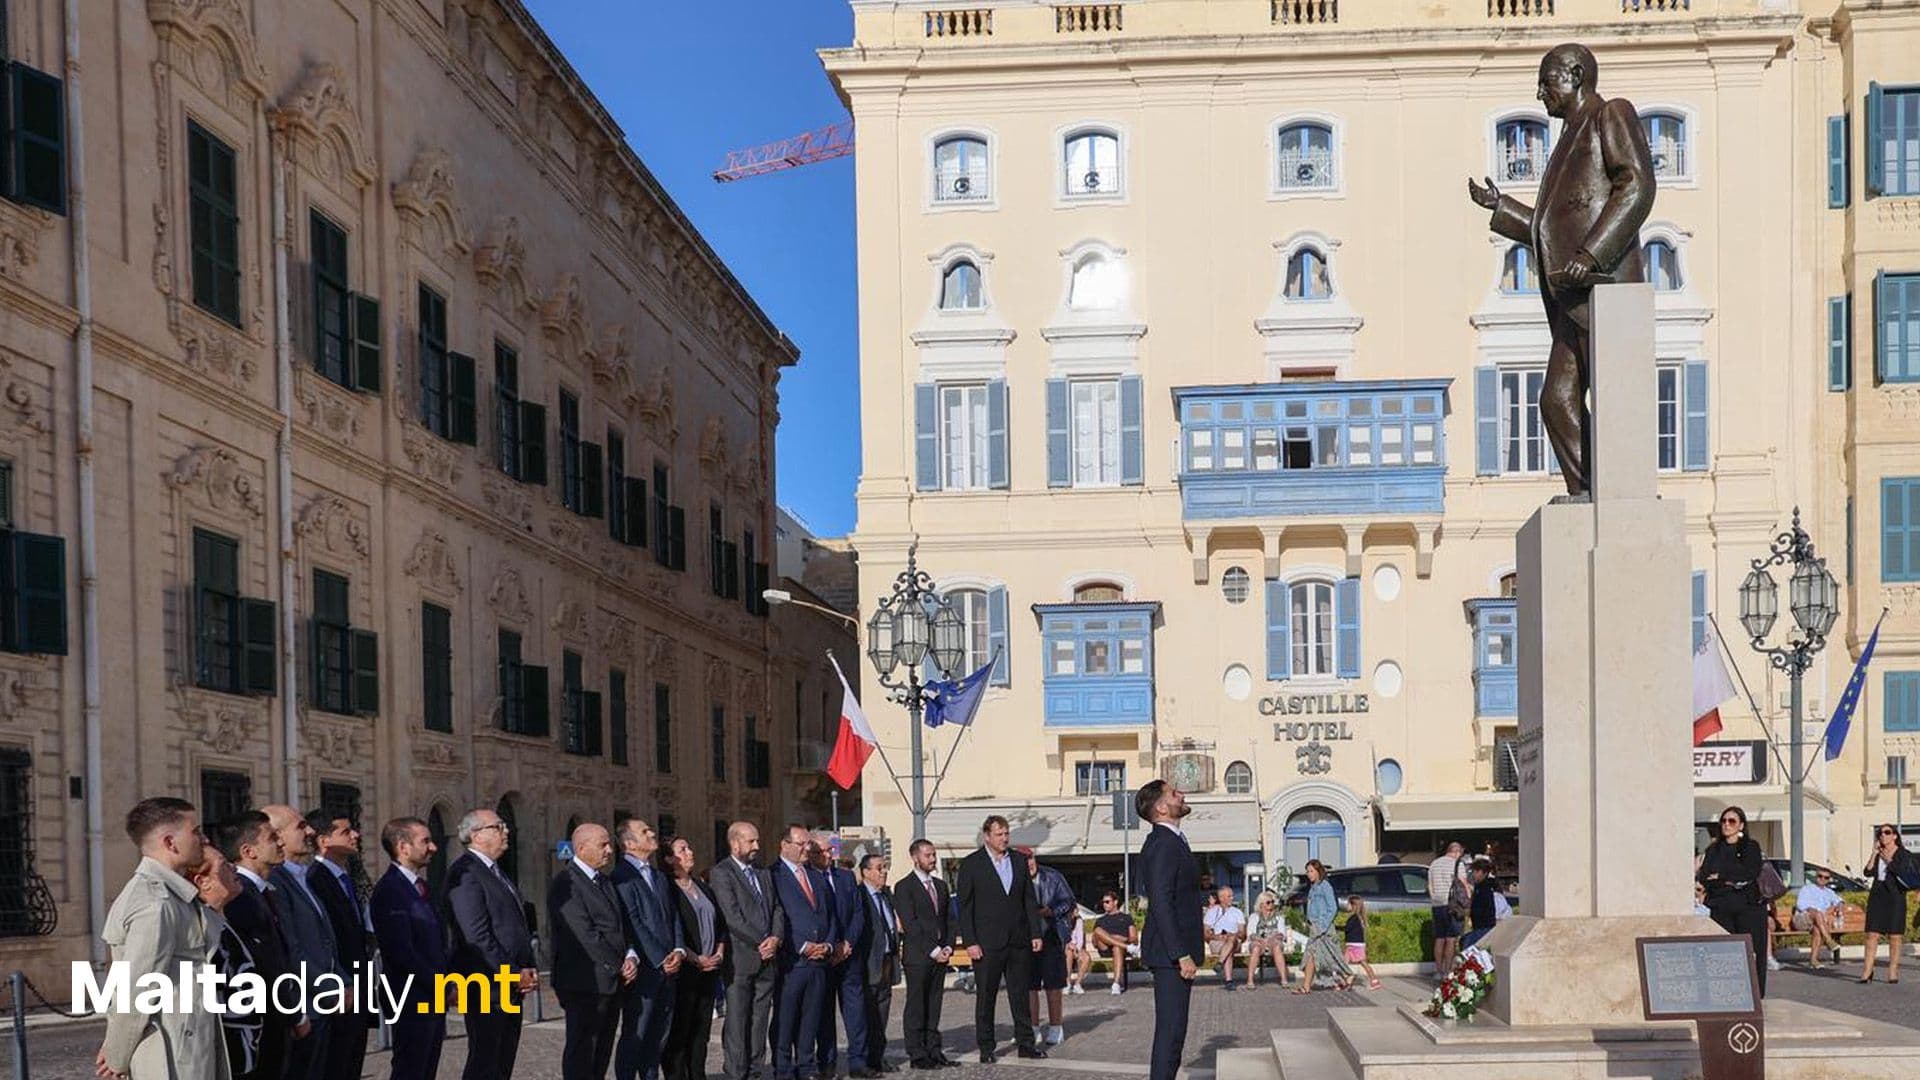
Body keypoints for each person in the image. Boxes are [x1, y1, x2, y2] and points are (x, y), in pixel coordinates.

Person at [96, 797, 226, 1080]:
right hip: (174, 1055)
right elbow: (138, 989)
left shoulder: (173, 894)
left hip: (189, 1042)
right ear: (170, 842)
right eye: (195, 831)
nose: (203, 839)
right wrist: (117, 1057)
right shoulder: (156, 902)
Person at [446, 807, 538, 1080]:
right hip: (485, 984)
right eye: (498, 827)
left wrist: (528, 967)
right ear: (476, 835)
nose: (505, 831)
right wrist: (512, 972)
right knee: (484, 1063)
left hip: (508, 984)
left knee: (502, 1062)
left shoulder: (497, 872)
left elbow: (515, 925)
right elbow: (476, 934)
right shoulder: (466, 872)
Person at [215, 811, 304, 1079]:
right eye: (272, 837)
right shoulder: (240, 897)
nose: (280, 843)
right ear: (248, 851)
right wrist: (293, 1014)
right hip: (262, 1027)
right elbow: (263, 966)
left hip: (277, 1022)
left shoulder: (261, 892)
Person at [551, 822, 641, 1080]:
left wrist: (631, 955)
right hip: (584, 983)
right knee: (582, 1053)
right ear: (581, 848)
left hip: (611, 982)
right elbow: (584, 934)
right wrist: (618, 964)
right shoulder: (566, 883)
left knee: (601, 1053)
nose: (609, 850)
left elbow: (620, 925)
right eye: (602, 844)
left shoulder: (604, 881)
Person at [955, 815, 1046, 1063]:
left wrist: (1035, 933)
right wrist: (970, 941)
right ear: (987, 836)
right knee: (987, 996)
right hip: (986, 943)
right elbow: (965, 907)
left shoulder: (1018, 860)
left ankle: (1026, 1043)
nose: (1004, 838)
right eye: (999, 834)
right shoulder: (972, 864)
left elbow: (1029, 900)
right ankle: (987, 1047)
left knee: (1020, 994)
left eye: (1006, 834)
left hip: (1018, 940)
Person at [371, 817, 449, 1080]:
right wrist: (441, 984)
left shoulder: (420, 886)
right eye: (425, 841)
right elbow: (401, 952)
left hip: (432, 997)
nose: (433, 847)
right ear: (403, 847)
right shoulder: (390, 890)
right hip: (410, 998)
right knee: (410, 1071)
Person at [263, 805, 337, 1080]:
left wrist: (340, 980)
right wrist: (329, 986)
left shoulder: (303, 875)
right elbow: (291, 947)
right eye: (300, 826)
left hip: (324, 1002)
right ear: (278, 836)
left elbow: (324, 938)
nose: (310, 832)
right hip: (305, 1003)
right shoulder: (276, 880)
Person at [1136, 781, 1202, 1080]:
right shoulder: (1164, 843)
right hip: (1169, 954)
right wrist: (1181, 953)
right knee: (1171, 1032)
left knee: (1175, 1031)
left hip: (1171, 951)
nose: (1182, 795)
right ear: (1161, 807)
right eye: (1174, 793)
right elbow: (1161, 902)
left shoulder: (1172, 839)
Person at [613, 818, 687, 1080]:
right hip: (645, 969)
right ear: (629, 843)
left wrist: (678, 950)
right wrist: (659, 958)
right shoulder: (621, 877)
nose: (652, 833)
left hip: (669, 969)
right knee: (637, 1034)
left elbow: (673, 916)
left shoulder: (658, 876)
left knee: (658, 1037)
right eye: (644, 832)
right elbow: (632, 922)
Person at [710, 822, 782, 1080]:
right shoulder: (722, 873)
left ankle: (755, 1070)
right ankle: (736, 1071)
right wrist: (761, 941)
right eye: (751, 842)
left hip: (767, 957)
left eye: (757, 841)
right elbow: (732, 916)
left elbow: (776, 908)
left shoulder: (762, 872)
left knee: (760, 1018)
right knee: (738, 1020)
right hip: (741, 958)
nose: (757, 847)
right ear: (735, 843)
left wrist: (775, 938)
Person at [304, 812, 373, 1080]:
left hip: (358, 988)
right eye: (346, 832)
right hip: (338, 990)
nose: (355, 835)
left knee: (352, 1065)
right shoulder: (316, 879)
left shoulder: (349, 876)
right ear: (323, 841)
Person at [771, 824, 837, 1080]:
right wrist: (801, 945)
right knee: (786, 1019)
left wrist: (828, 944)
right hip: (792, 961)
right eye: (801, 844)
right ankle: (783, 1068)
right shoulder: (773, 875)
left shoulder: (816, 876)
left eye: (808, 844)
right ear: (784, 845)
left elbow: (829, 915)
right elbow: (778, 917)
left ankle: (807, 1066)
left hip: (819, 961)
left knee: (811, 1018)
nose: (806, 850)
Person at [660, 836, 727, 1080]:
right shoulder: (667, 889)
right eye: (682, 849)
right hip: (685, 970)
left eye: (689, 847)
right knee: (680, 1030)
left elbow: (720, 924)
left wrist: (719, 952)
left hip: (709, 970)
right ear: (669, 859)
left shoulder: (702, 886)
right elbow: (668, 931)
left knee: (701, 1031)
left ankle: (697, 1074)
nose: (690, 852)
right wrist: (694, 958)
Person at [189, 846, 255, 1077]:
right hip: (227, 1053)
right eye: (224, 865)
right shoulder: (202, 932)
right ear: (203, 882)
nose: (234, 867)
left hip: (247, 1045)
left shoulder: (221, 921)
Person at [892, 838, 957, 1071]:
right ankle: (917, 1053)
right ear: (915, 857)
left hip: (941, 954)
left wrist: (948, 946)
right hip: (919, 957)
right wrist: (934, 950)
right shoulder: (904, 886)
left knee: (934, 1004)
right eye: (928, 855)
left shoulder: (940, 886)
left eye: (934, 854)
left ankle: (934, 1049)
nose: (933, 859)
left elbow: (949, 918)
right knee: (917, 1005)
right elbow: (910, 923)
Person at [1696, 805, 1771, 996]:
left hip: (1749, 907)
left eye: (1732, 821)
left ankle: (1754, 993)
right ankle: (1725, 991)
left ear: (1741, 825)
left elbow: (1750, 872)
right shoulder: (1714, 849)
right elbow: (1705, 876)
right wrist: (1726, 879)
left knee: (1752, 951)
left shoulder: (1750, 846)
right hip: (1721, 906)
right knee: (1723, 951)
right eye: (1723, 821)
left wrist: (1721, 876)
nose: (1726, 825)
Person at [810, 831, 868, 1079]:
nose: (828, 855)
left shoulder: (845, 877)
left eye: (830, 850)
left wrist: (846, 944)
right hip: (823, 957)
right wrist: (831, 947)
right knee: (824, 1015)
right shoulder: (809, 878)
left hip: (848, 955)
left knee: (855, 1013)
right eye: (821, 851)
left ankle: (859, 1062)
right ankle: (827, 1063)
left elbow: (857, 914)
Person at [1020, 846, 1075, 1044]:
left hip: (1051, 933)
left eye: (1031, 858)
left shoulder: (1052, 876)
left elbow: (1068, 901)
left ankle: (1056, 1027)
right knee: (1029, 986)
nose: (1029, 864)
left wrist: (1050, 911)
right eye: (1024, 861)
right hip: (1025, 937)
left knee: (1054, 984)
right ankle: (1033, 1028)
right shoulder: (1015, 880)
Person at [854, 852, 901, 1075]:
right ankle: (864, 1059)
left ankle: (878, 1056)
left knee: (882, 1012)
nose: (883, 871)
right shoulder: (859, 895)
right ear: (866, 872)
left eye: (884, 867)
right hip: (868, 963)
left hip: (887, 960)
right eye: (879, 868)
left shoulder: (885, 894)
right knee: (867, 1014)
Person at [1859, 823, 1917, 984]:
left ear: (1895, 836)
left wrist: (1889, 861)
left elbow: (1904, 873)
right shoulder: (1878, 853)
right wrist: (1873, 853)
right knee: (1872, 934)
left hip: (1896, 896)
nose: (1883, 835)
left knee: (1895, 936)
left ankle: (1892, 971)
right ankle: (1867, 971)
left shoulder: (1904, 854)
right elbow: (1868, 872)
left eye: (1887, 832)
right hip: (1878, 896)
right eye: (1880, 833)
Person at [1292, 860, 1353, 994]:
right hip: (1315, 927)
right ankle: (1306, 987)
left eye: (1311, 871)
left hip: (1323, 929)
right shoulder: (1313, 887)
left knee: (1330, 955)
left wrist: (1322, 925)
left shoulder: (1325, 886)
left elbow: (1332, 908)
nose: (1308, 874)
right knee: (1313, 955)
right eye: (1307, 871)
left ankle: (1347, 975)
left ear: (1319, 871)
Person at [1425, 842, 1467, 981]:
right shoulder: (1458, 864)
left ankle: (1438, 970)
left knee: (1439, 938)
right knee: (1450, 939)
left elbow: (1429, 886)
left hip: (1437, 904)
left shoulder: (1434, 864)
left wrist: (1435, 899)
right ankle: (1447, 971)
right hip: (1452, 905)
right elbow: (1463, 883)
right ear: (1457, 852)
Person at [1792, 868, 1844, 969]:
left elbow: (1840, 901)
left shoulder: (1829, 892)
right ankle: (1828, 940)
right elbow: (1800, 906)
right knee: (1817, 913)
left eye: (1826, 877)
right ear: (1816, 877)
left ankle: (1813, 960)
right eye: (1820, 876)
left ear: (1829, 879)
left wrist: (1839, 906)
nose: (1822, 879)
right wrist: (1814, 911)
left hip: (1817, 922)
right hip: (1802, 918)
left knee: (1817, 929)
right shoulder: (1807, 889)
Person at [1088, 890, 1138, 994]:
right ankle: (1125, 946)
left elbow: (1134, 938)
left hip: (1121, 949)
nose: (1104, 905)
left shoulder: (1126, 918)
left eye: (1107, 902)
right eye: (1103, 902)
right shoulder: (1100, 920)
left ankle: (1116, 984)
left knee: (1117, 948)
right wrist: (1114, 938)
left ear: (1115, 902)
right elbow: (1094, 940)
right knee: (1098, 930)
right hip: (1105, 947)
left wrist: (1124, 939)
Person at [1202, 887, 1246, 989]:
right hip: (1217, 942)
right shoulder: (1211, 912)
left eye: (1232, 896)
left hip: (1235, 942)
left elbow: (1243, 934)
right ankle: (1228, 981)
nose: (1232, 898)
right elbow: (1205, 934)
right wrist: (1217, 936)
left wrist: (1232, 935)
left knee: (1231, 940)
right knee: (1228, 950)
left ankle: (1221, 963)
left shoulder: (1237, 912)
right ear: (1221, 898)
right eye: (1229, 896)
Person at [1244, 892, 1290, 988]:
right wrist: (1261, 940)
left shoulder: (1278, 917)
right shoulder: (1254, 917)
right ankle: (1250, 980)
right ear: (1261, 904)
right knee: (1256, 948)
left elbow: (1282, 934)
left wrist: (1271, 939)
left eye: (1272, 902)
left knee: (1277, 947)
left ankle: (1284, 979)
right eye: (1268, 902)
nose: (1271, 904)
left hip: (1274, 941)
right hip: (1258, 941)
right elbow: (1250, 934)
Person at [1342, 896, 1383, 991]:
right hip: (1351, 944)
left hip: (1355, 945)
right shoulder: (1356, 917)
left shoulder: (1354, 918)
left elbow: (1346, 929)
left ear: (1353, 905)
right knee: (1344, 963)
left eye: (1348, 904)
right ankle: (1347, 983)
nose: (1346, 906)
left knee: (1363, 963)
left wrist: (1334, 927)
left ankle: (1374, 981)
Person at [1461, 858, 1499, 950]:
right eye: (1474, 871)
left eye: (1477, 871)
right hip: (1478, 926)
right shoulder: (1479, 886)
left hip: (1484, 927)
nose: (1474, 874)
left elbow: (1482, 907)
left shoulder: (1486, 887)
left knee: (1467, 948)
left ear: (1484, 873)